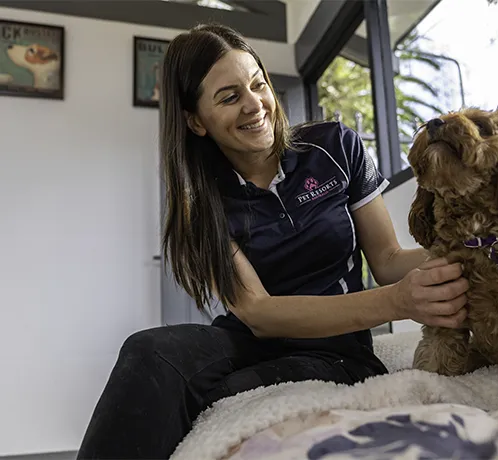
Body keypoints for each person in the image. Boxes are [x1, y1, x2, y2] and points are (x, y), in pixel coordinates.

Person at [76, 22, 468, 460]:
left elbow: (389, 259)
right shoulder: (200, 204)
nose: (254, 105)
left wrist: (472, 250)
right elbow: (258, 313)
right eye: (229, 97)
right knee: (148, 351)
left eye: (257, 84)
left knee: (223, 396)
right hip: (248, 338)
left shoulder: (336, 147)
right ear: (196, 121)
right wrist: (397, 303)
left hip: (337, 350)